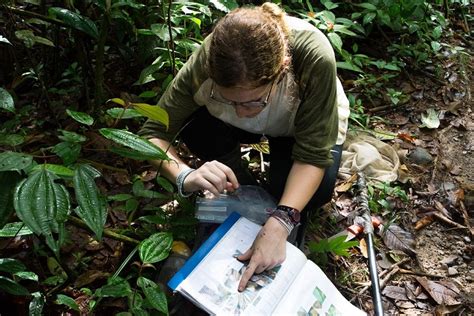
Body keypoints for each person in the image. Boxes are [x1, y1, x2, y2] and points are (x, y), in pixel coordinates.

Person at [139, 3, 350, 293]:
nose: (240, 112)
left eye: (252, 101)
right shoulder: (208, 62)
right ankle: (237, 177)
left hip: (298, 125)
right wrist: (185, 175)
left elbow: (313, 154)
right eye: (227, 99)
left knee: (315, 190)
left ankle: (277, 192)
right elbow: (151, 133)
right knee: (197, 126)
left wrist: (282, 221)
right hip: (237, 127)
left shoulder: (312, 57)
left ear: (282, 72)